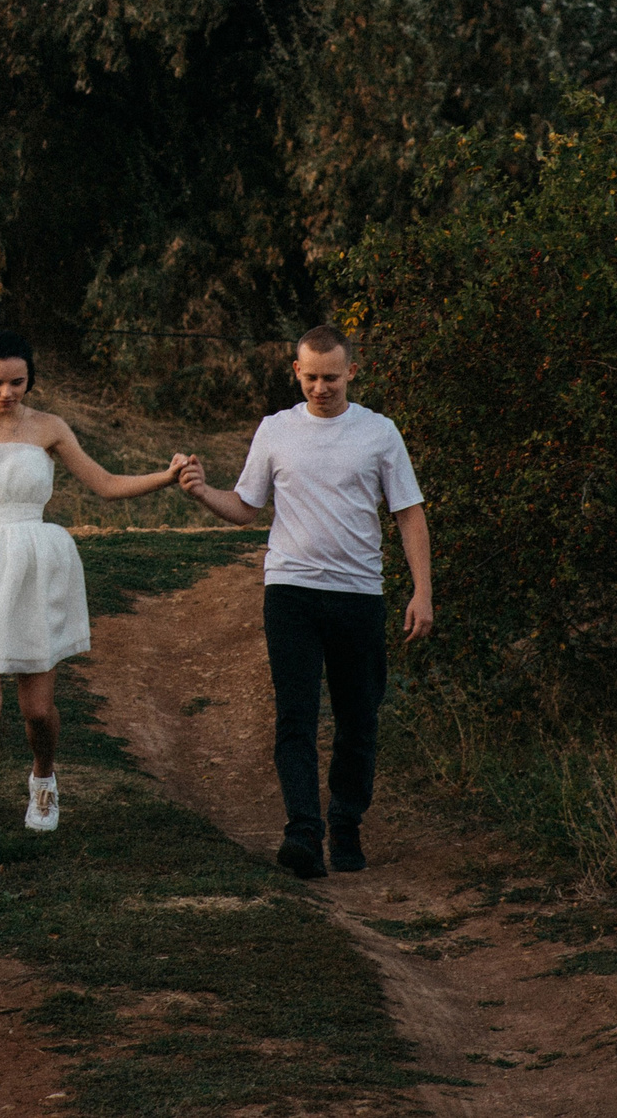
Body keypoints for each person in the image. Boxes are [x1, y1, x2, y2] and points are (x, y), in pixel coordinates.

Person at [0, 330, 187, 876]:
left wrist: (165, 477)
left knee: (37, 710)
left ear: (30, 380)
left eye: (17, 383)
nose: (7, 393)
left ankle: (43, 775)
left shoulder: (49, 429)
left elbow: (104, 483)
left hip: (34, 565)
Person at [172, 325, 433, 880]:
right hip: (290, 591)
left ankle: (345, 824)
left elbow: (408, 512)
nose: (321, 388)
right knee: (295, 715)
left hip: (358, 595)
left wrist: (422, 591)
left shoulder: (380, 433)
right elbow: (246, 507)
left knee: (358, 718)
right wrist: (199, 491)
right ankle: (303, 834)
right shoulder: (275, 431)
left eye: (331, 378)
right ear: (296, 372)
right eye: (311, 377)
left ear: (352, 373)